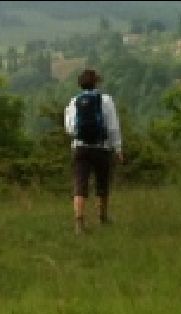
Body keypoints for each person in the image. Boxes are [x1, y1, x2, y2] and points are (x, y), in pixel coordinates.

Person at [63, 69, 123, 234]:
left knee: (80, 184)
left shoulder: (74, 102)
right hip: (101, 147)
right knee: (102, 183)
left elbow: (69, 128)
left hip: (80, 148)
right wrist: (117, 148)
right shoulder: (106, 100)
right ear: (96, 82)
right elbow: (113, 127)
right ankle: (102, 217)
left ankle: (79, 223)